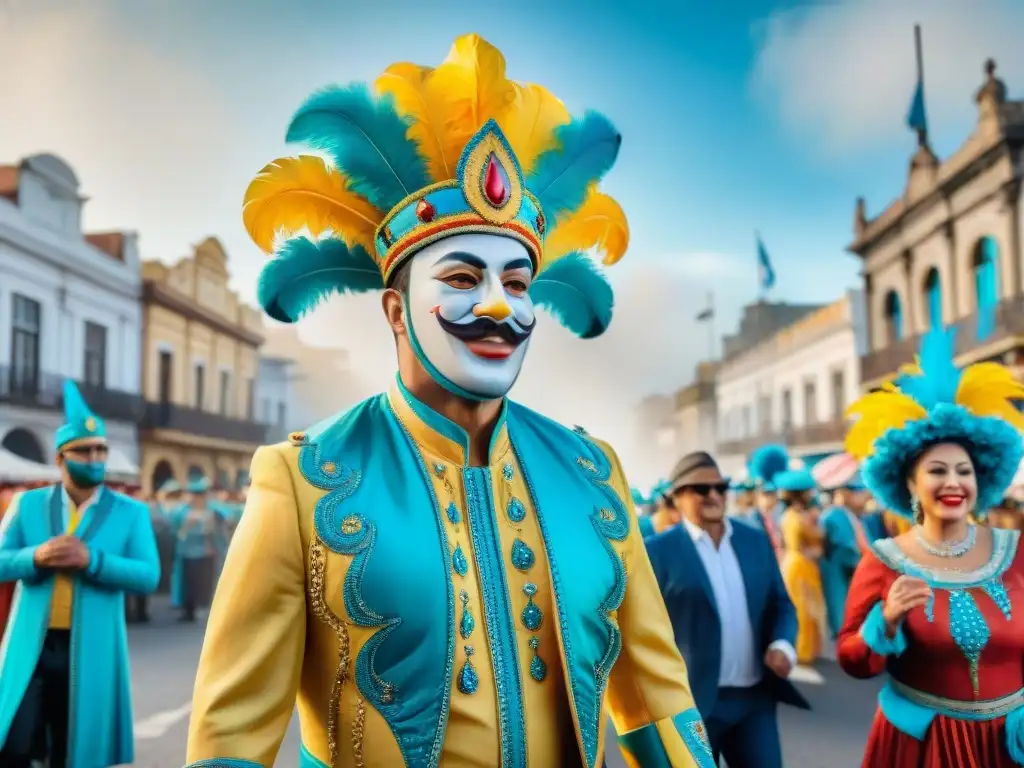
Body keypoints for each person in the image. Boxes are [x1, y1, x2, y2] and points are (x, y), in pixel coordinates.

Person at [185, 34, 714, 768]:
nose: (501, 307)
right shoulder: (304, 483)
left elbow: (657, 696)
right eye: (463, 278)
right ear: (397, 311)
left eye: (519, 284)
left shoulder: (593, 472)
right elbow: (231, 740)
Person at [837, 327, 1024, 767]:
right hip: (925, 747)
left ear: (983, 481)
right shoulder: (883, 560)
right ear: (909, 484)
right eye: (937, 471)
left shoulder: (1017, 550)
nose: (954, 482)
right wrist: (885, 621)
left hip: (1010, 745)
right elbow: (852, 659)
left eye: (965, 470)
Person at [0, 381, 160, 768]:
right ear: (60, 458)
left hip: (93, 646)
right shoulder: (29, 503)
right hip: (30, 646)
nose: (95, 457)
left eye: (100, 449)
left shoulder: (131, 512)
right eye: (84, 450)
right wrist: (34, 557)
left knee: (75, 751)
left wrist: (94, 560)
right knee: (14, 743)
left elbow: (148, 575)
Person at [646, 451, 809, 768]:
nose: (714, 496)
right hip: (689, 705)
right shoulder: (656, 552)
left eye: (720, 488)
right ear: (677, 497)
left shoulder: (754, 540)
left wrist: (782, 645)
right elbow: (644, 629)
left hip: (753, 702)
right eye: (701, 489)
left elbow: (781, 604)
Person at [775, 466, 827, 665]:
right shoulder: (799, 517)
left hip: (793, 563)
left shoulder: (788, 515)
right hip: (800, 566)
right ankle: (803, 651)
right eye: (808, 491)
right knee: (805, 609)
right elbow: (816, 537)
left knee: (802, 608)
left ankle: (803, 650)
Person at [820, 466, 871, 639]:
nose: (866, 498)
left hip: (852, 574)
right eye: (861, 493)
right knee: (842, 613)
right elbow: (846, 548)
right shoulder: (834, 516)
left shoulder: (853, 515)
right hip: (841, 574)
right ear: (846, 494)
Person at [167, 476, 222, 622]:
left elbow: (218, 530)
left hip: (204, 552)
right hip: (187, 553)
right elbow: (175, 529)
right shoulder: (183, 512)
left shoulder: (211, 511)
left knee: (203, 583)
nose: (198, 498)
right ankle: (188, 609)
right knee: (188, 583)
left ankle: (202, 607)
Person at [746, 444, 787, 555]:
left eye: (771, 494)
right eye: (765, 494)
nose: (769, 500)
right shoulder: (753, 519)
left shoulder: (785, 514)